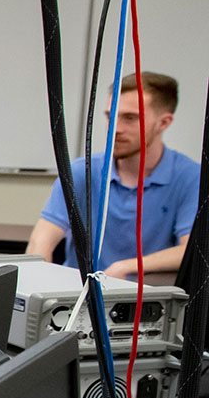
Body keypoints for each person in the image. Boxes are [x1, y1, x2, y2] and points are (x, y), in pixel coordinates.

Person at [27, 72, 198, 279]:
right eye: (111, 116)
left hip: (145, 302)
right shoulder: (82, 172)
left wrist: (125, 267)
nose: (115, 128)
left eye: (129, 118)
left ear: (164, 122)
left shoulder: (190, 177)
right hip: (77, 298)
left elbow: (190, 250)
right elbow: (40, 242)